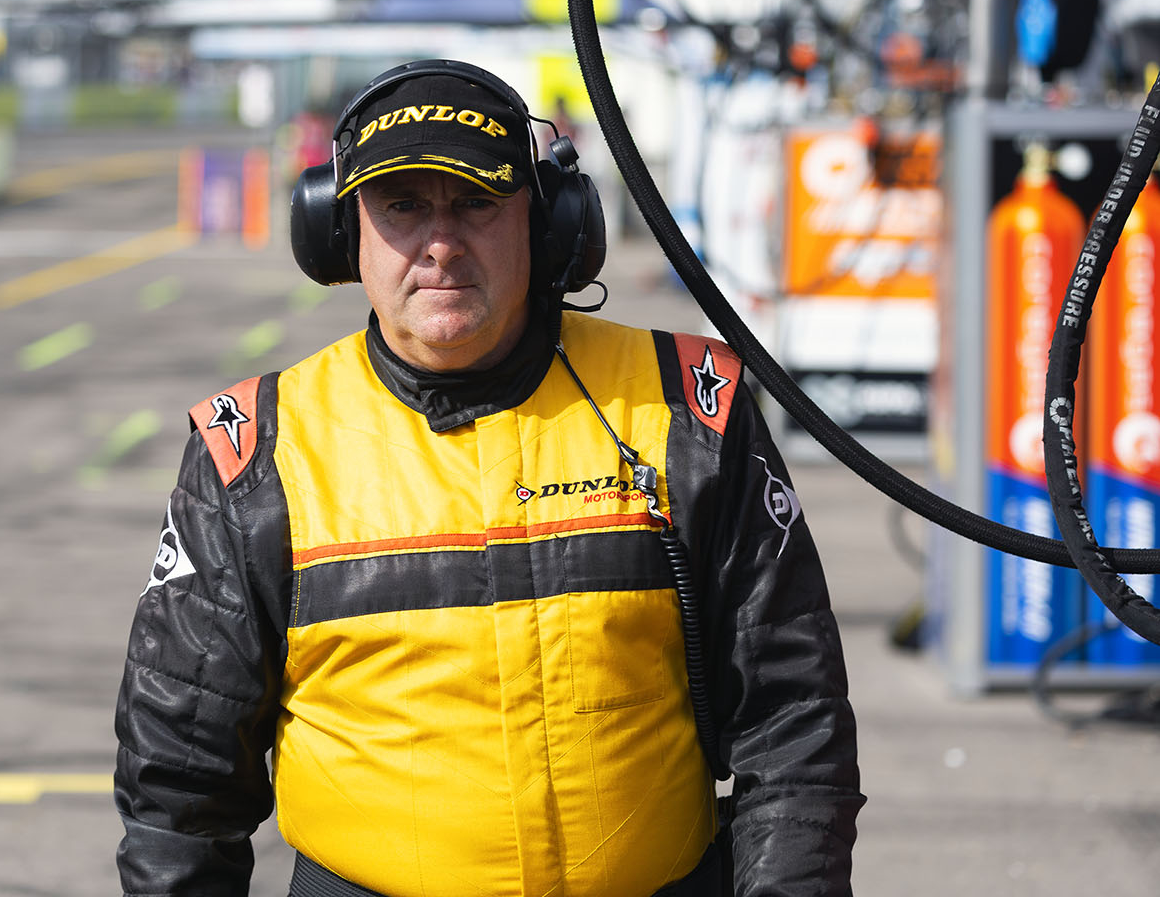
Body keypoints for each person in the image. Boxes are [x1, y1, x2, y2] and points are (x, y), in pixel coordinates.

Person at [114, 59, 864, 897]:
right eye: (403, 206)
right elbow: (179, 791)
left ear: (547, 225)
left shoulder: (689, 408)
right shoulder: (257, 450)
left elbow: (793, 724)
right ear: (340, 231)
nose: (441, 244)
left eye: (476, 201)